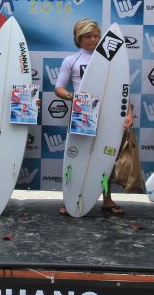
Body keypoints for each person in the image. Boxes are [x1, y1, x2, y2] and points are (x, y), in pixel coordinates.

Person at [54, 19, 133, 216]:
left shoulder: (110, 60)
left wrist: (129, 112)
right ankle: (70, 199)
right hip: (84, 113)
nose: (93, 39)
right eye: (88, 36)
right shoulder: (71, 60)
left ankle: (107, 199)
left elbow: (122, 89)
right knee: (78, 155)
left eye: (96, 36)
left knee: (105, 157)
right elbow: (59, 88)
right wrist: (74, 97)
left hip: (108, 115)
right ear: (79, 39)